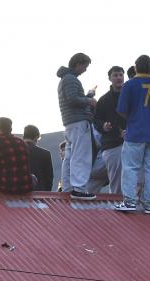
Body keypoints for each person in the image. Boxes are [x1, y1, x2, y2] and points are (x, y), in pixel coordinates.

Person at [115, 54, 150, 214]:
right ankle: (148, 203)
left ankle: (130, 201)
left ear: (136, 67)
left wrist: (134, 119)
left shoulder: (129, 85)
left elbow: (122, 110)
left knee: (130, 167)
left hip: (135, 133)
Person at [56, 52, 97, 200]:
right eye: (84, 67)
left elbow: (71, 99)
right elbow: (73, 99)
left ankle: (67, 187)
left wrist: (87, 96)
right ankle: (79, 189)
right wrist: (89, 101)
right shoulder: (71, 79)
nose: (85, 70)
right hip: (79, 122)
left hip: (69, 122)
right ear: (78, 64)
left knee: (69, 156)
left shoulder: (64, 79)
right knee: (81, 156)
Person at [94, 66, 127, 193]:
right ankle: (117, 209)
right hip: (112, 145)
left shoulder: (132, 96)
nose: (119, 78)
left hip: (134, 143)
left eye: (120, 75)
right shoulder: (103, 100)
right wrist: (103, 126)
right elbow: (96, 120)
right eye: (115, 75)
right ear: (109, 78)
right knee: (117, 183)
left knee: (138, 179)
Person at [0, 117, 32, 194]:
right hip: (26, 188)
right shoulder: (21, 142)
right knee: (33, 177)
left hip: (7, 187)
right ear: (11, 129)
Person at [23, 125, 53, 191]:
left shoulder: (15, 151)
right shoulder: (45, 154)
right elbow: (49, 178)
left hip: (19, 193)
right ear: (36, 137)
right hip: (40, 193)